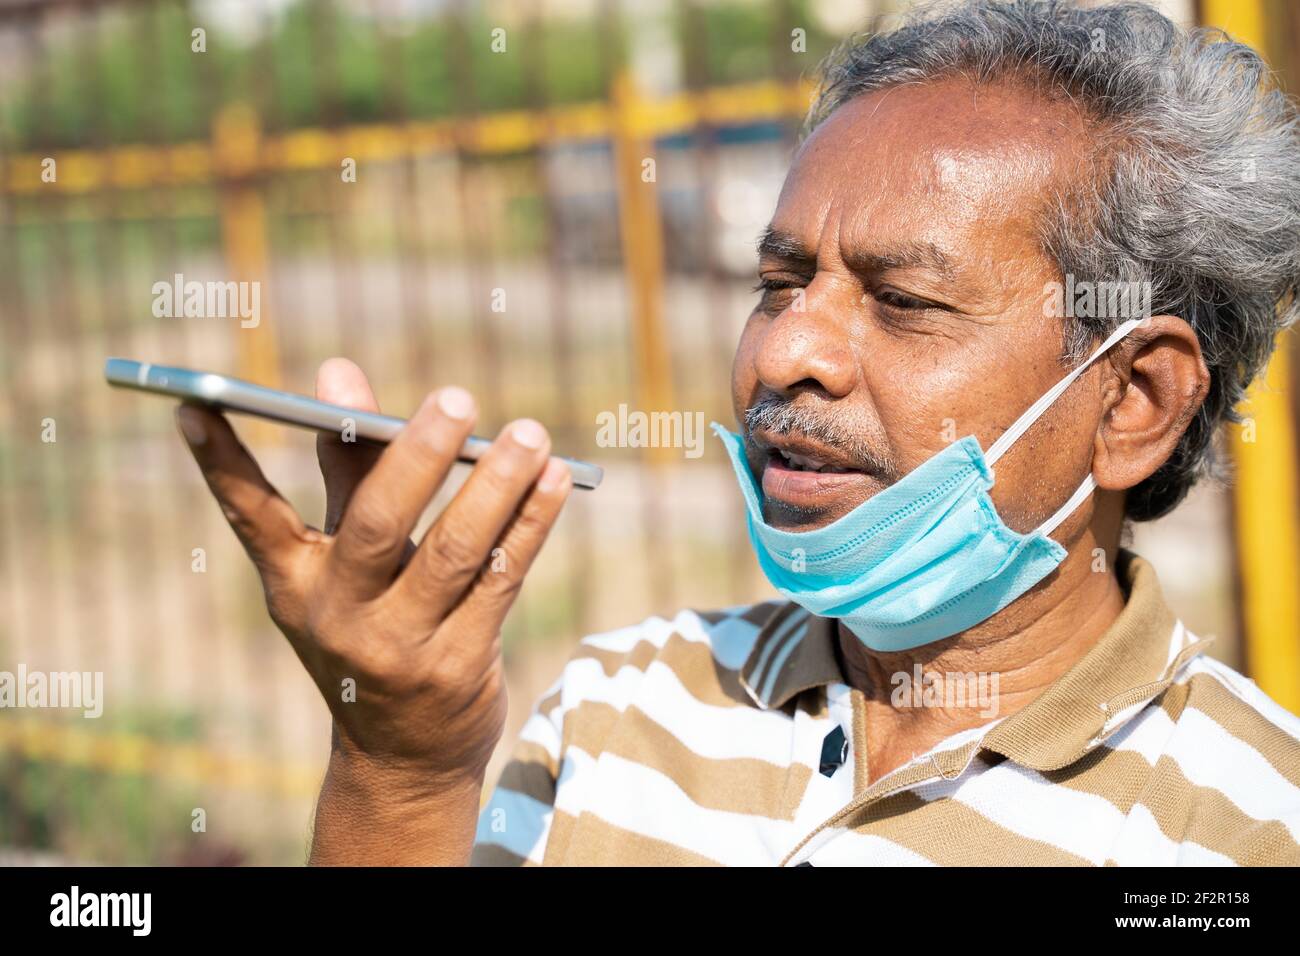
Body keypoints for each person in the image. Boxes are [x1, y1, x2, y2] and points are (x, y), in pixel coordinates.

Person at [176, 0, 1300, 866]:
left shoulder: (1237, 824)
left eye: (902, 301)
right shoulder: (627, 705)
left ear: (1133, 402)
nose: (779, 356)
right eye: (779, 279)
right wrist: (400, 768)